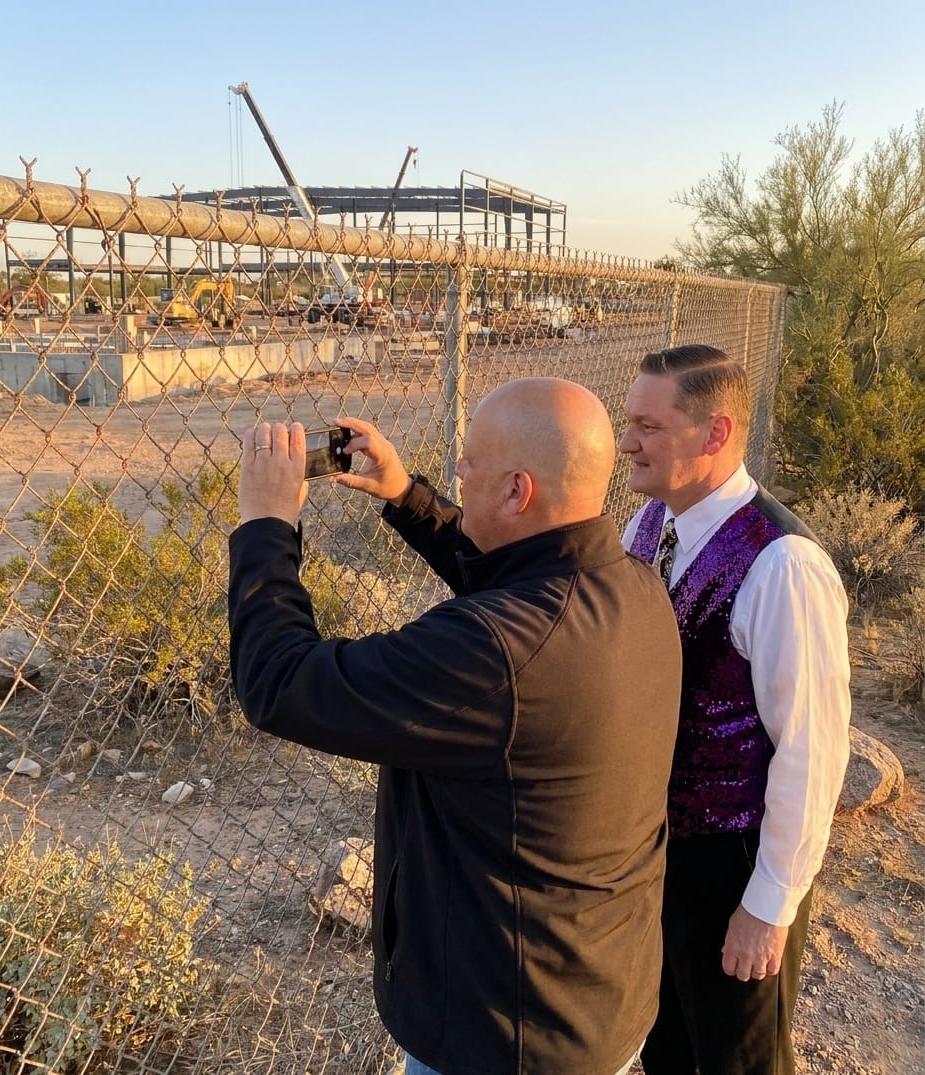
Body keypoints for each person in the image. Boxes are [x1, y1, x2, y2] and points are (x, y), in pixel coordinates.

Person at [229, 377, 683, 1075]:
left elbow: (278, 682)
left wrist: (265, 524)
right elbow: (521, 597)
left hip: (502, 1040)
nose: (459, 469)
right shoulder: (636, 587)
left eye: (470, 460)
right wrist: (406, 496)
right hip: (596, 1001)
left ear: (517, 492)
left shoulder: (497, 651)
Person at [619, 345, 852, 1075]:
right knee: (668, 1047)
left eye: (649, 426)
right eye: (630, 422)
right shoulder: (647, 526)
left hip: (733, 863)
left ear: (715, 434)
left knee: (738, 1058)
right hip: (659, 855)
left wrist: (768, 904)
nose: (628, 441)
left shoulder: (782, 564)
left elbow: (812, 751)